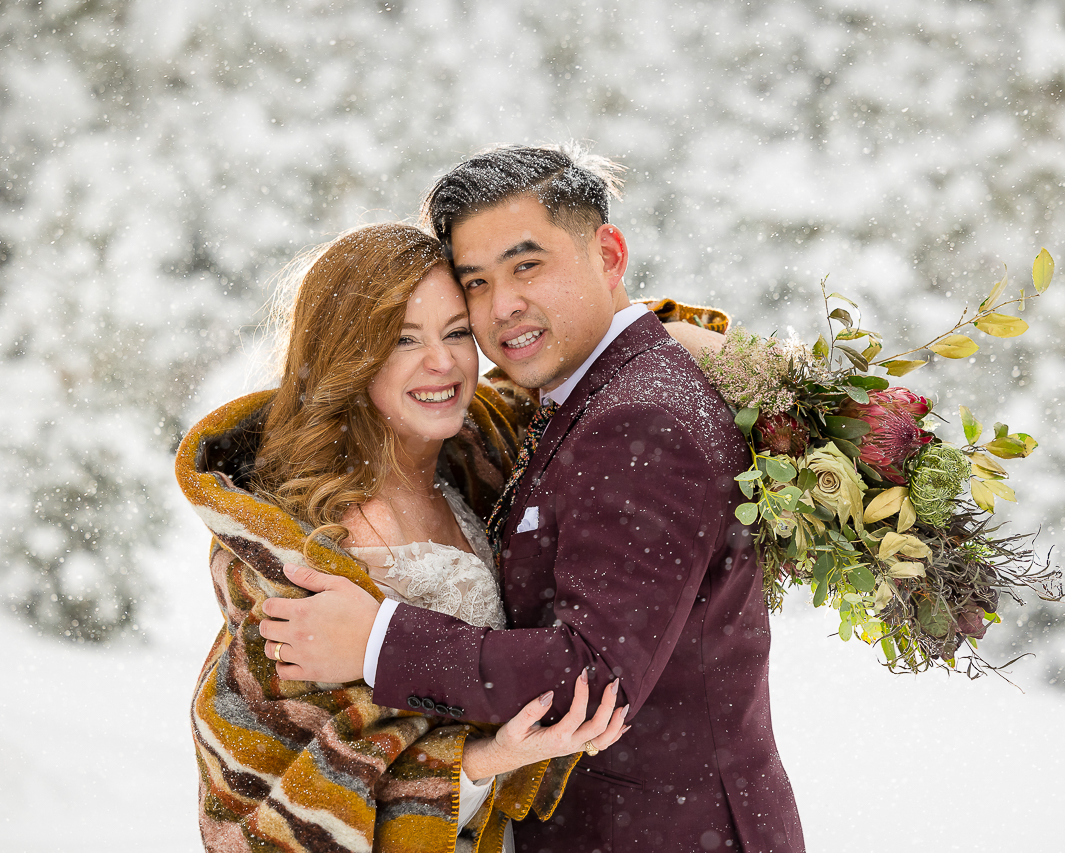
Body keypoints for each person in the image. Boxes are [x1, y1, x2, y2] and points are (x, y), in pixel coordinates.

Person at [259, 146, 808, 852]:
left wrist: (375, 642)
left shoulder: (640, 417)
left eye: (527, 266)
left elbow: (592, 674)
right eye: (476, 283)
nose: (502, 306)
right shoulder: (589, 394)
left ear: (609, 254)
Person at [176, 222, 628, 853]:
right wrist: (488, 757)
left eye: (457, 333)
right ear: (350, 357)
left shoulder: (478, 464)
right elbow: (298, 804)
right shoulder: (310, 550)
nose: (441, 362)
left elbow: (584, 370)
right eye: (402, 340)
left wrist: (669, 334)